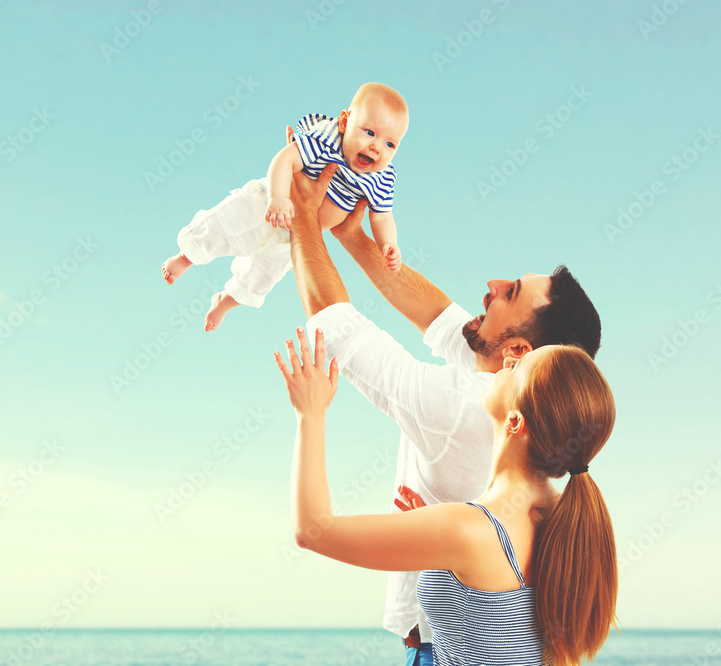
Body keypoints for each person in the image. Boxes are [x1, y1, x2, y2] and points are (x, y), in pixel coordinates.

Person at [284, 164, 603, 664]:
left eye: (512, 292)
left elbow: (313, 530)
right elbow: (440, 317)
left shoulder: (465, 412)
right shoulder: (552, 500)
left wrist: (301, 213)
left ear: (517, 354)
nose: (494, 285)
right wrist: (351, 234)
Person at [274, 328, 618, 665]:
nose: (510, 360)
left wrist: (310, 413)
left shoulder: (470, 529)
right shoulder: (568, 520)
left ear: (515, 422)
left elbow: (312, 529)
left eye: (518, 368)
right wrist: (440, 540)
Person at [161, 82, 408, 331]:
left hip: (295, 237)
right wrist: (278, 197)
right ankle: (187, 256)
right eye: (369, 132)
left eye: (390, 144)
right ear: (345, 122)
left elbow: (382, 215)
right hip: (268, 205)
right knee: (224, 225)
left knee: (260, 279)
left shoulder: (382, 177)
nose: (377, 147)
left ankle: (224, 302)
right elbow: (285, 158)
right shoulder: (326, 140)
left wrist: (388, 244)